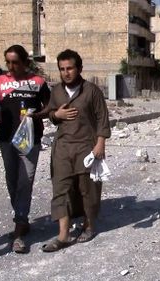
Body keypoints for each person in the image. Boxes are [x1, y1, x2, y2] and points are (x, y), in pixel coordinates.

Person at [0, 45, 51, 253]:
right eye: (8, 62)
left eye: (15, 62)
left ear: (25, 63)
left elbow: (48, 107)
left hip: (30, 140)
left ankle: (19, 228)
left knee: (26, 180)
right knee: (12, 180)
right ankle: (22, 217)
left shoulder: (38, 82)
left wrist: (36, 115)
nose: (11, 66)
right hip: (6, 139)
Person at [40, 49, 111, 252]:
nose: (66, 72)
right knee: (59, 189)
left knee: (87, 189)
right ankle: (63, 235)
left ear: (79, 68)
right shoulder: (56, 91)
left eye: (69, 68)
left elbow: (102, 119)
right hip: (62, 147)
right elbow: (51, 115)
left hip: (86, 147)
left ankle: (88, 226)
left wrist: (100, 144)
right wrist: (57, 114)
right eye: (62, 69)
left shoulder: (91, 91)